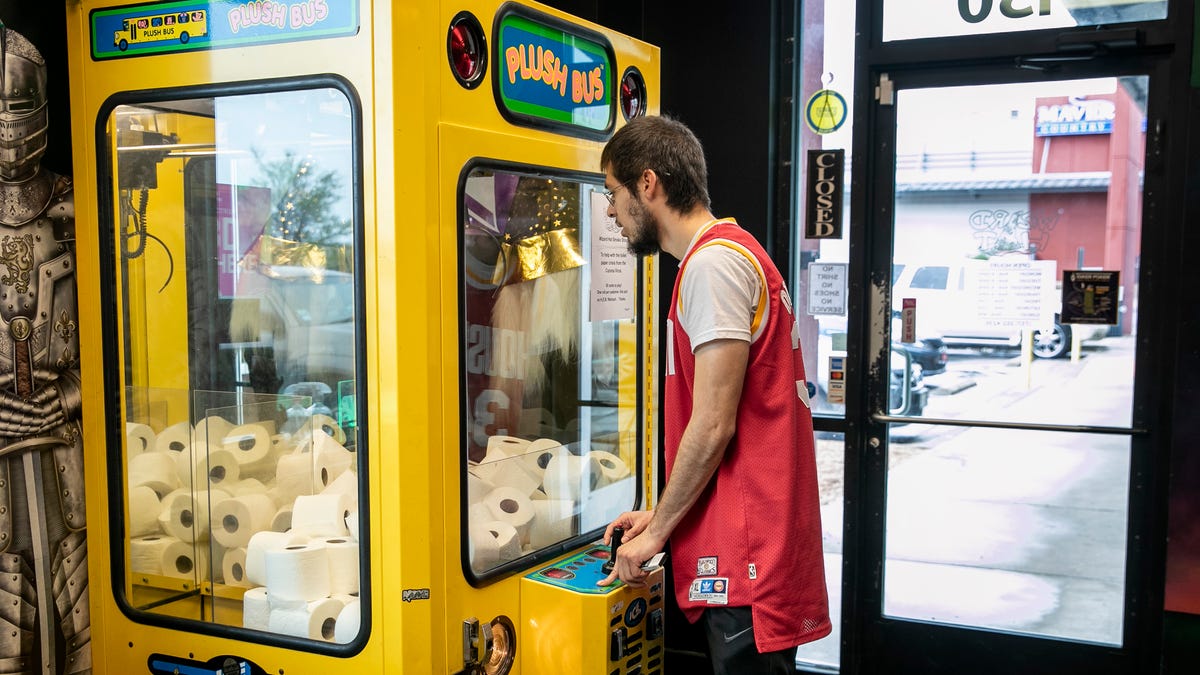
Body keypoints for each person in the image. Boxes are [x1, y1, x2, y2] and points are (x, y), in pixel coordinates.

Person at [596, 115, 830, 673]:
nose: (609, 211)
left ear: (647, 184)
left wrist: (657, 532)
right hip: (750, 538)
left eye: (613, 193)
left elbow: (713, 425)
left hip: (749, 552)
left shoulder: (713, 266)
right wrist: (661, 513)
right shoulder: (732, 252)